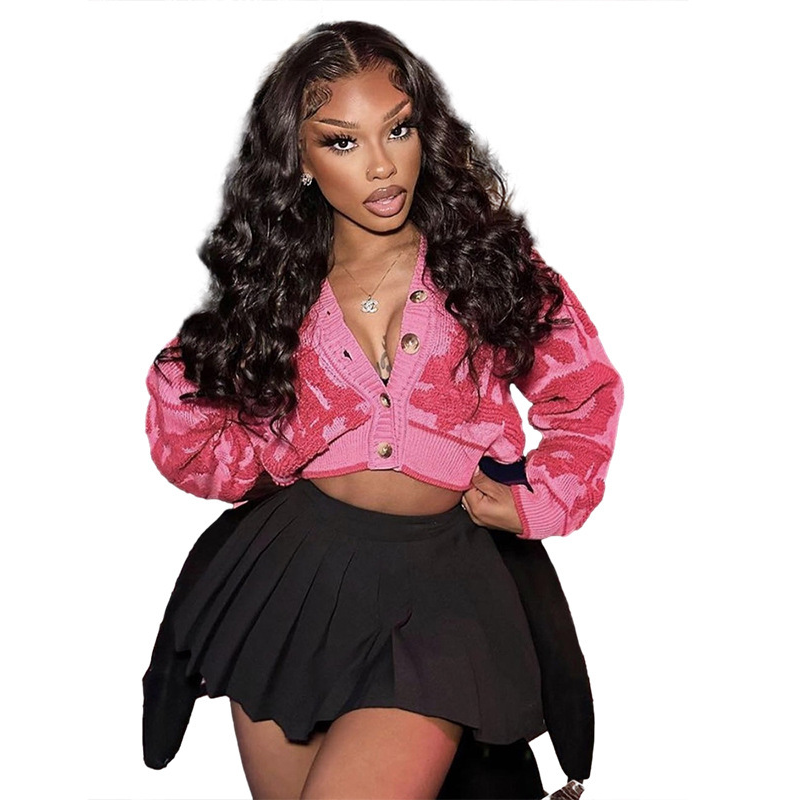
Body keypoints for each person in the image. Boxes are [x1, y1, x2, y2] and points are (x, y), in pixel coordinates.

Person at [143, 20, 623, 800]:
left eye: (397, 129)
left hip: (442, 587)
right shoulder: (276, 289)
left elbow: (585, 395)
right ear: (299, 160)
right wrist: (257, 420)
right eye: (341, 141)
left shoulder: (485, 264)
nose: (380, 164)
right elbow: (197, 450)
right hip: (292, 577)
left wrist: (543, 497)